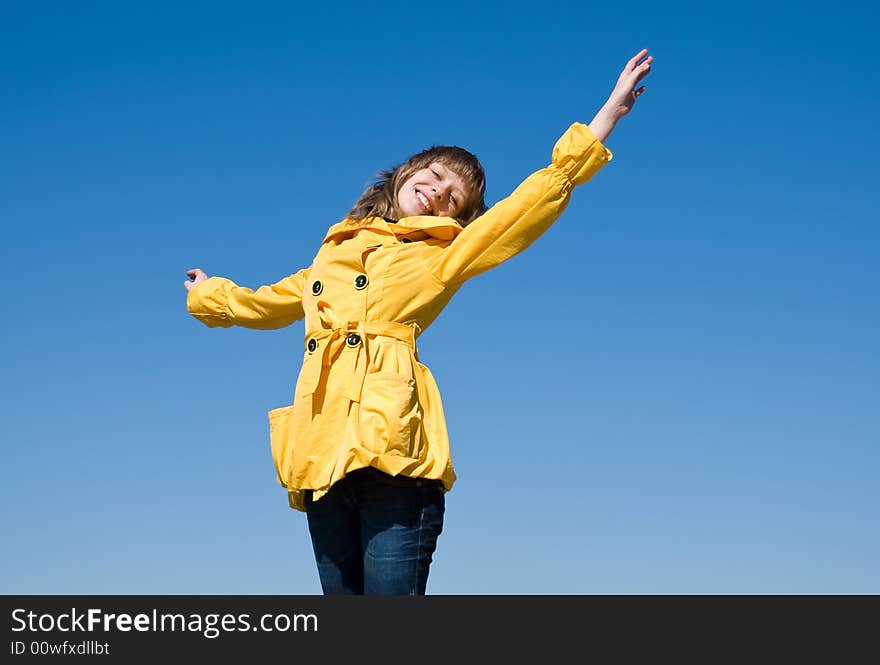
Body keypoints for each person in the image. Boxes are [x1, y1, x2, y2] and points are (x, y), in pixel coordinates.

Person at [184, 49, 654, 595]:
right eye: (433, 175)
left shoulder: (442, 255)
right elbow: (264, 303)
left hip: (393, 456)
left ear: (455, 218)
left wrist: (608, 117)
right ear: (407, 172)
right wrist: (209, 292)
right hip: (321, 458)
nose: (437, 190)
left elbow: (526, 205)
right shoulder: (331, 255)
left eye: (453, 197)